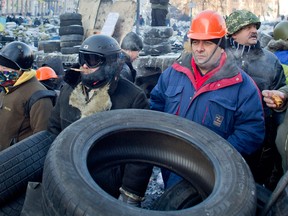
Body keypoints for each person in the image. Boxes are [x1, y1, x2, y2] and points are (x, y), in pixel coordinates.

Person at [149, 10, 265, 188]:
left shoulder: (243, 86)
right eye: (195, 41)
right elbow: (155, 109)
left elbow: (251, 132)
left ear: (221, 44)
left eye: (208, 42)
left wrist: (216, 157)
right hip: (172, 169)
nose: (199, 48)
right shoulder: (173, 73)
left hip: (215, 178)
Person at [47, 34, 152, 207]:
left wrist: (130, 195)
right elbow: (53, 130)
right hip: (66, 179)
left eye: (92, 60)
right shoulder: (68, 89)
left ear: (109, 62)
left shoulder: (132, 98)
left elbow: (141, 151)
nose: (85, 65)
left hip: (105, 188)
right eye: (82, 58)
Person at [225, 9, 286, 190]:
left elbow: (280, 93)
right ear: (233, 33)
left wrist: (279, 103)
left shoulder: (270, 61)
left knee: (254, 185)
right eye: (247, 27)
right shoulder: (220, 58)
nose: (254, 31)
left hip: (261, 136)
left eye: (255, 27)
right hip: (226, 131)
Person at [0, 41, 54, 151]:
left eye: (5, 68)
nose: (1, 70)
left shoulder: (38, 96)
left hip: (16, 161)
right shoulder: (7, 87)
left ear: (20, 70)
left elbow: (41, 140)